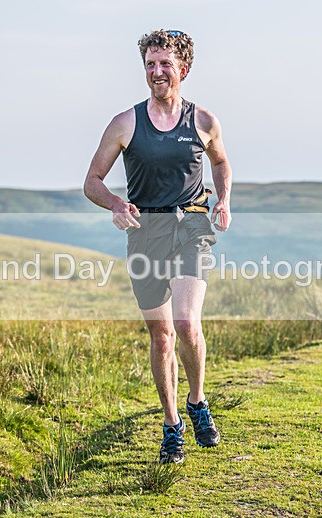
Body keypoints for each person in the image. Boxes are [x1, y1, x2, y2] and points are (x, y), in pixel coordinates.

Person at [83, 29, 232, 464]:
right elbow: (92, 181)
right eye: (150, 64)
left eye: (165, 63)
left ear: (183, 69)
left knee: (186, 324)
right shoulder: (125, 123)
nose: (156, 71)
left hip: (192, 226)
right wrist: (114, 203)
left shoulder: (203, 121)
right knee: (161, 335)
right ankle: (171, 426)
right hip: (146, 233)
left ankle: (198, 402)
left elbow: (221, 162)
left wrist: (222, 200)